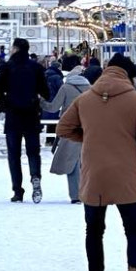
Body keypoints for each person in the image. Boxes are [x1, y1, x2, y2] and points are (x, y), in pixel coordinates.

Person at [55, 54, 136, 271]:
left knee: (94, 231)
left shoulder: (85, 99)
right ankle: (134, 270)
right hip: (126, 173)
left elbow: (63, 129)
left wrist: (90, 136)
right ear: (128, 75)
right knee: (134, 229)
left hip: (94, 173)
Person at [0, 38, 50, 203]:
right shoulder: (36, 68)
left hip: (13, 116)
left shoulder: (6, 67)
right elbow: (46, 92)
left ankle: (18, 190)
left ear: (16, 48)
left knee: (14, 155)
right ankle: (35, 176)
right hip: (32, 115)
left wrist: (5, 105)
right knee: (33, 152)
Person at [42, 64, 92, 203]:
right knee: (86, 163)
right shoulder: (91, 89)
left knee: (72, 163)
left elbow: (53, 108)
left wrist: (41, 102)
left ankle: (76, 195)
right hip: (88, 128)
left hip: (70, 128)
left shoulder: (66, 88)